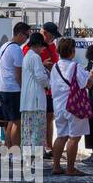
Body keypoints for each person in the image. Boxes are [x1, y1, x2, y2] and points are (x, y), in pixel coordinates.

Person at [48, 37, 90, 176]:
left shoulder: (55, 66)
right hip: (73, 105)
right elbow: (85, 83)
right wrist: (92, 76)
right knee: (74, 137)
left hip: (59, 105)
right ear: (72, 52)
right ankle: (70, 168)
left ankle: (56, 166)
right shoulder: (75, 66)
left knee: (61, 136)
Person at [24, 22, 60, 159]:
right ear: (45, 33)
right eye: (52, 36)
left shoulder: (52, 46)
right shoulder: (32, 49)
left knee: (49, 118)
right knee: (37, 120)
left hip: (50, 90)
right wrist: (42, 65)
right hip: (38, 91)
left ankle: (48, 146)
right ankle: (37, 148)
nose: (53, 39)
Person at [0, 22, 30, 151]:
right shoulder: (16, 50)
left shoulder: (5, 46)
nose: (27, 39)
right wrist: (24, 90)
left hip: (2, 88)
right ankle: (15, 151)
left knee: (10, 121)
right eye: (26, 36)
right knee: (17, 122)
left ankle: (9, 149)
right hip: (13, 89)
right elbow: (18, 74)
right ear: (20, 34)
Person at [19, 31, 50, 161]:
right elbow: (40, 77)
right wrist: (48, 83)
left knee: (28, 129)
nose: (43, 50)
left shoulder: (27, 56)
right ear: (37, 45)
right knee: (37, 128)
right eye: (42, 47)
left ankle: (29, 152)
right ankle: (37, 154)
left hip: (27, 99)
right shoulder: (35, 57)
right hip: (35, 99)